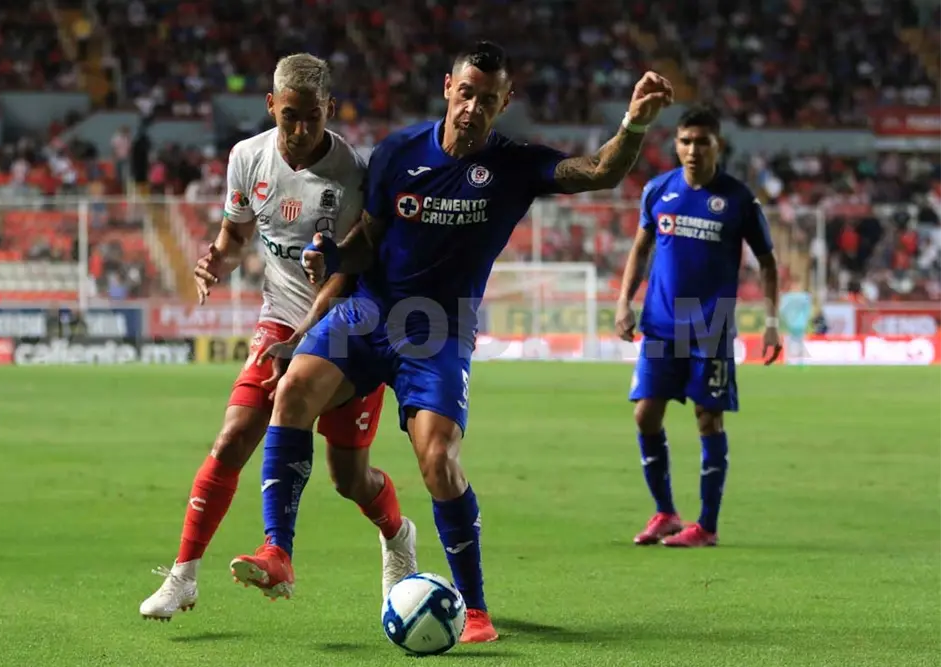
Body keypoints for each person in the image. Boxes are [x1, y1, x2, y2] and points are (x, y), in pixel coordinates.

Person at [229, 41, 672, 643]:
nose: (473, 108)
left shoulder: (513, 165)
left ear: (504, 103)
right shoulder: (397, 153)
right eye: (466, 93)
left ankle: (476, 609)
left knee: (438, 459)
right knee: (294, 391)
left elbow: (599, 171)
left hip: (437, 329)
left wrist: (635, 123)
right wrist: (333, 258)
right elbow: (369, 241)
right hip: (369, 311)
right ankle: (277, 551)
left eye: (488, 99)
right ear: (447, 88)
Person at [139, 53, 417, 621]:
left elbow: (348, 272)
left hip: (343, 325)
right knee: (233, 435)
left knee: (349, 479)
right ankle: (183, 577)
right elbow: (236, 234)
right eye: (290, 116)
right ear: (271, 106)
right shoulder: (247, 158)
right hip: (278, 318)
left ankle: (397, 534)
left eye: (313, 117)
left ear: (330, 110)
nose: (301, 129)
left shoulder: (354, 173)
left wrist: (307, 335)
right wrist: (216, 261)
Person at [615, 105, 781, 548]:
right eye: (685, 141)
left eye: (701, 142)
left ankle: (706, 526)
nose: (692, 150)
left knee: (708, 419)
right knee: (645, 413)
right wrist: (624, 301)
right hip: (661, 323)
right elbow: (640, 248)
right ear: (676, 144)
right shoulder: (658, 190)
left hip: (711, 325)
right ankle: (666, 513)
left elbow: (767, 262)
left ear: (717, 145)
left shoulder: (739, 200)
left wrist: (771, 322)